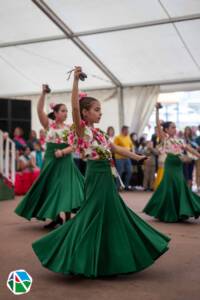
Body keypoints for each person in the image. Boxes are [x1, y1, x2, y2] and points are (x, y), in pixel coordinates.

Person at [32, 67, 170, 278]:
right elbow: (75, 108)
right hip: (95, 176)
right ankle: (68, 252)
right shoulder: (81, 129)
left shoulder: (100, 133)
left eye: (100, 110)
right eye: (96, 109)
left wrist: (137, 157)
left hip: (107, 177)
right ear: (85, 112)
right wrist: (76, 81)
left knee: (110, 214)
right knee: (92, 214)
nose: (100, 113)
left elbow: (117, 149)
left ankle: (105, 256)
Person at [15, 84, 84, 228]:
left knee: (66, 188)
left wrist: (63, 152)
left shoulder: (70, 128)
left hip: (65, 160)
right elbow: (39, 110)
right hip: (51, 159)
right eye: (63, 111)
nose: (66, 113)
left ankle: (67, 218)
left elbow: (75, 145)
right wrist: (43, 94)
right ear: (56, 113)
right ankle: (56, 218)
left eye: (66, 111)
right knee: (50, 187)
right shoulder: (49, 125)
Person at [143, 103, 200, 222]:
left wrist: (198, 155)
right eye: (172, 127)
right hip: (170, 165)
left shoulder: (179, 141)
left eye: (175, 127)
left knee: (180, 187)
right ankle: (168, 213)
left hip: (178, 166)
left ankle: (180, 212)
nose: (175, 129)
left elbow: (190, 149)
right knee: (169, 188)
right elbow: (158, 125)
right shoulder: (164, 139)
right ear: (166, 130)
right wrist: (157, 110)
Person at [114, 126, 134, 190]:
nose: (128, 132)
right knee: (120, 172)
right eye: (126, 130)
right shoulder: (117, 137)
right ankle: (118, 187)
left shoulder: (128, 137)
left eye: (128, 130)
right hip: (119, 158)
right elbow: (114, 147)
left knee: (130, 171)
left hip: (127, 157)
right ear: (123, 130)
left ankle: (126, 186)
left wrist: (133, 150)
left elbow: (131, 145)